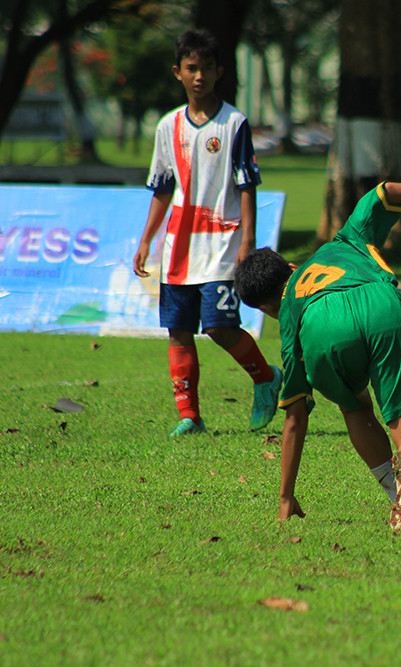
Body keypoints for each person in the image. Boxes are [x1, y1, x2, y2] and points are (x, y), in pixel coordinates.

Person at [233, 179, 401, 535]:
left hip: (319, 325)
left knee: (355, 408)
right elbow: (386, 191)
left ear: (266, 307)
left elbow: (295, 418)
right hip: (382, 308)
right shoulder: (345, 241)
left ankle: (400, 492)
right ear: (292, 265)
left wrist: (286, 497)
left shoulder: (288, 313)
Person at [133, 29, 282, 437]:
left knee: (218, 327)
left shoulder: (234, 123)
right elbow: (163, 188)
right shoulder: (168, 127)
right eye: (191, 68)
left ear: (220, 71)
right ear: (177, 72)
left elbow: (247, 185)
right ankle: (189, 416)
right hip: (179, 246)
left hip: (222, 242)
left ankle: (266, 377)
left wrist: (247, 244)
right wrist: (147, 239)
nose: (199, 76)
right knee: (178, 330)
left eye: (206, 68)